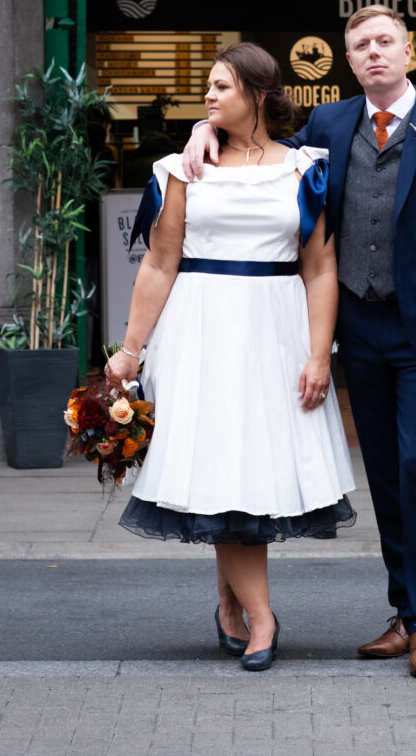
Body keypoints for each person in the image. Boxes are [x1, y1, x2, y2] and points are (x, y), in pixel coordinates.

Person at [182, 7, 416, 677]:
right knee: (383, 470)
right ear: (349, 61)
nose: (374, 53)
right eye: (361, 46)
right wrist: (202, 127)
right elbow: (254, 132)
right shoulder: (326, 125)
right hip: (356, 325)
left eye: (385, 42)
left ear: (408, 51)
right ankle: (404, 615)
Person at [106, 42, 355, 672]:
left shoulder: (305, 170)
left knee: (252, 473)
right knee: (223, 470)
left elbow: (321, 267)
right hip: (200, 331)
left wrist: (320, 355)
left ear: (259, 95)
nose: (209, 97)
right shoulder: (181, 169)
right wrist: (130, 350)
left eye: (222, 87)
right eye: (208, 88)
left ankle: (229, 604)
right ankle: (262, 617)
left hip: (275, 331)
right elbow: (160, 264)